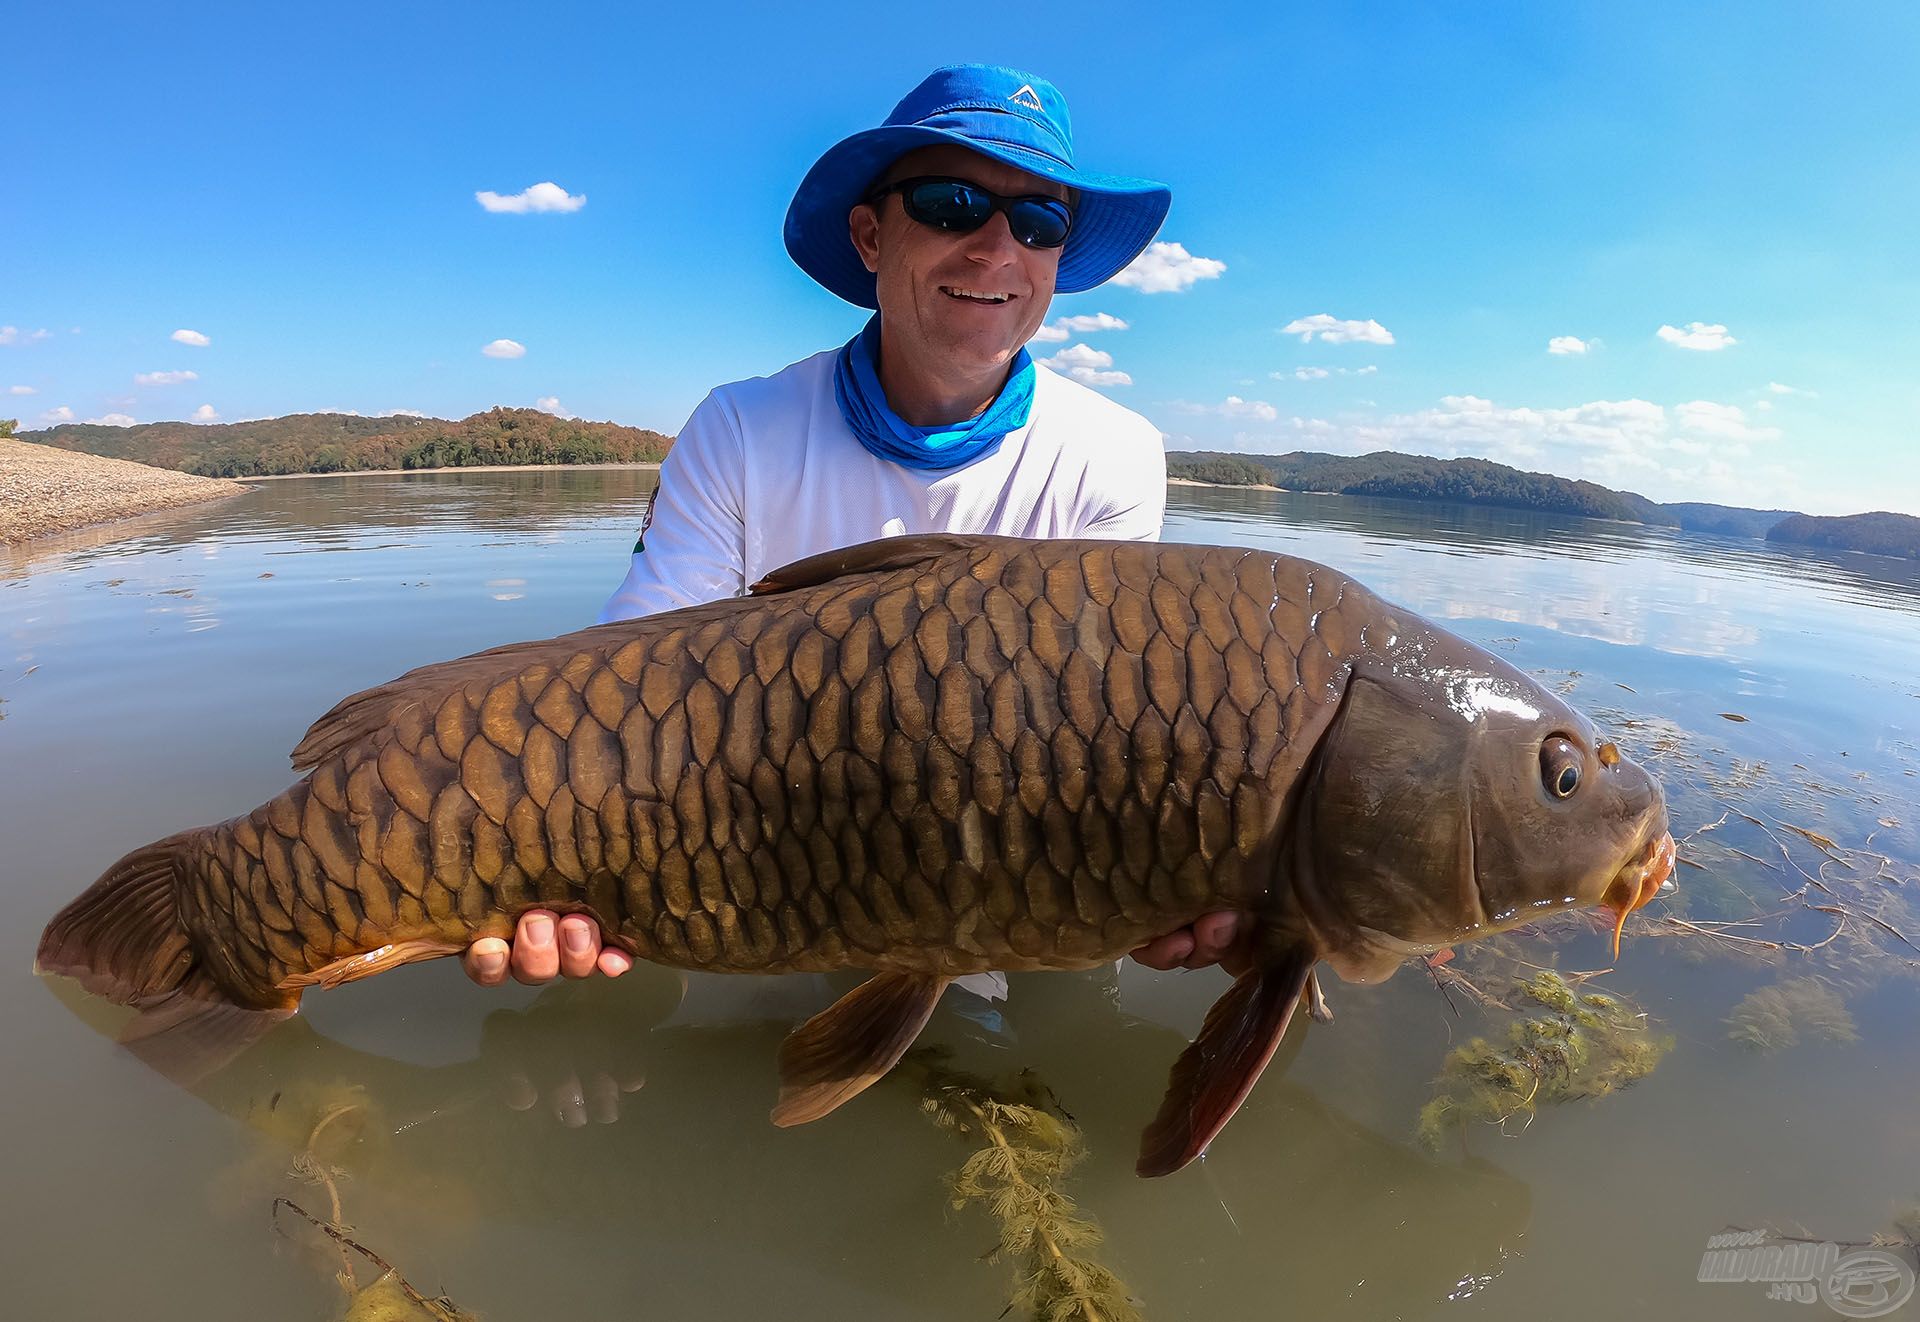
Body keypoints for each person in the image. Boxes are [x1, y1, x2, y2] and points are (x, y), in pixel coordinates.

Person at [463, 64, 1248, 994]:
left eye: (1039, 221)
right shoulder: (741, 428)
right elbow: (624, 688)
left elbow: (1097, 733)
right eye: (954, 203)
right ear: (872, 234)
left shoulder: (1113, 455)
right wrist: (541, 846)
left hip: (1012, 891)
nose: (998, 248)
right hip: (754, 877)